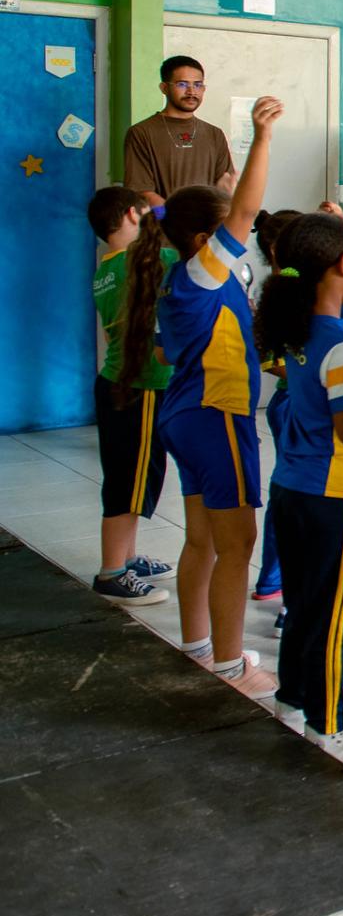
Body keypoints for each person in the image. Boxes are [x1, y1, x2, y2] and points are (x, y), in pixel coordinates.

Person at [115, 96, 282, 695]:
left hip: (186, 414)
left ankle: (198, 649)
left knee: (203, 539)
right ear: (207, 237)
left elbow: (165, 353)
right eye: (230, 232)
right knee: (237, 544)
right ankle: (234, 667)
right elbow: (246, 213)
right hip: (215, 417)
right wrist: (261, 137)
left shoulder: (179, 281)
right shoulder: (203, 271)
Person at [252, 212, 343, 763]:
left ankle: (291, 701)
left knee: (304, 604)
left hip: (291, 487)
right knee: (336, 614)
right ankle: (327, 725)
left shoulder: (301, 325)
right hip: (339, 493)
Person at [86, 187, 176, 606]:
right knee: (127, 483)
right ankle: (112, 572)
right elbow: (191, 252)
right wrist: (164, 209)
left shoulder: (108, 266)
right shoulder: (144, 263)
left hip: (118, 384)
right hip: (137, 388)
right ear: (130, 215)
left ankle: (126, 557)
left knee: (131, 479)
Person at [122, 56, 237, 204]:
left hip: (207, 224)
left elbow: (224, 187)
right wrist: (171, 220)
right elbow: (141, 191)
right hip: (162, 224)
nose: (191, 92)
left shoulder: (214, 134)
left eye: (197, 85)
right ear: (164, 88)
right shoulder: (141, 132)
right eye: (182, 84)